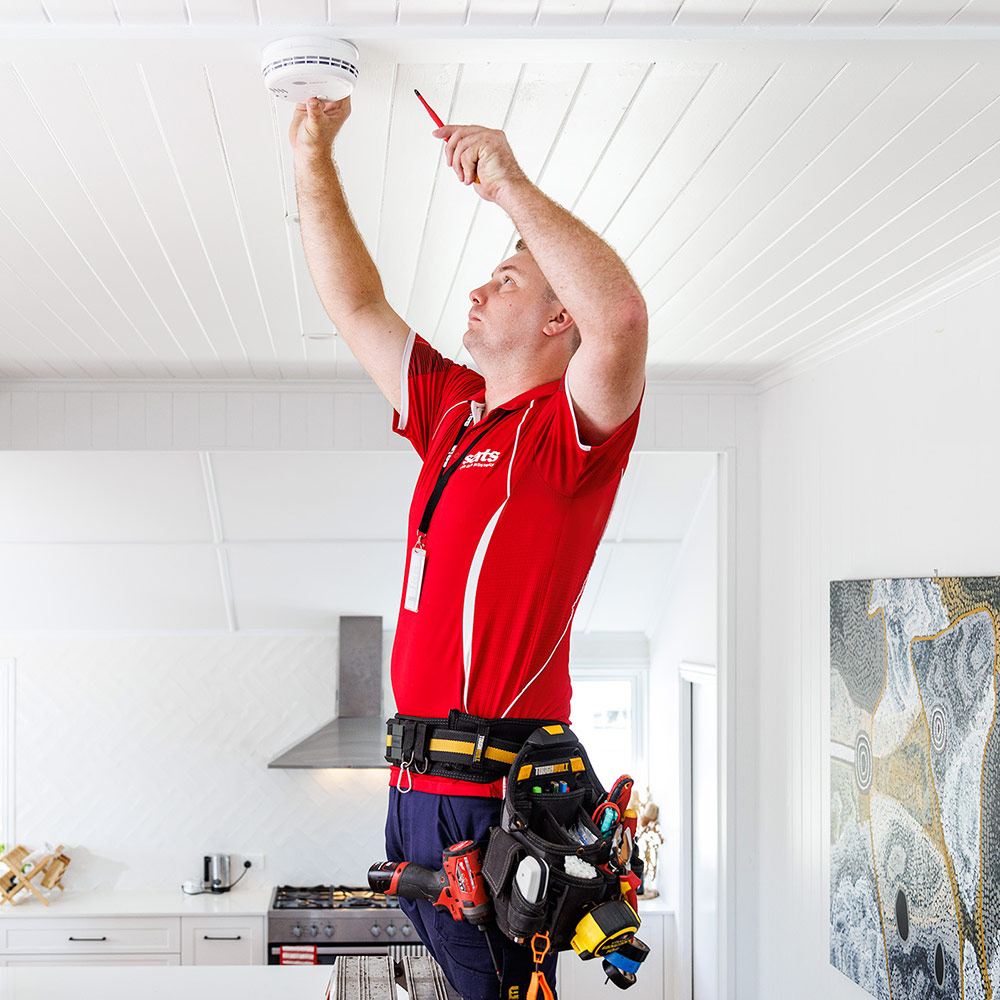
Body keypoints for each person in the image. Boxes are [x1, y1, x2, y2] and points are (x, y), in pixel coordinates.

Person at [291, 94, 647, 1000]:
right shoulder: (453, 409)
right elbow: (357, 301)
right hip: (413, 798)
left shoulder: (569, 433)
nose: (479, 290)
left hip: (490, 808)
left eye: (508, 280)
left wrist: (511, 187)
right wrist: (310, 158)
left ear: (558, 321)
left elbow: (625, 322)